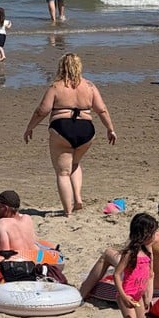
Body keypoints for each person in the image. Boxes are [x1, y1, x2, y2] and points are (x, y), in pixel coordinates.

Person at [23, 53, 116, 217]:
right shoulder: (89, 86)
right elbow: (101, 109)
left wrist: (30, 127)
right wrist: (110, 129)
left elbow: (42, 110)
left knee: (63, 172)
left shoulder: (56, 87)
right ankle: (78, 198)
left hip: (62, 128)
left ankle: (68, 211)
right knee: (75, 163)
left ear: (61, 67)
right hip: (86, 129)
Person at [80, 197, 159, 300]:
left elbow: (147, 271)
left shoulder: (154, 237)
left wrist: (147, 299)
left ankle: (81, 295)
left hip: (146, 289)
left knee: (108, 254)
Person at [99, 213, 157, 318]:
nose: (154, 236)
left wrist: (148, 296)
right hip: (127, 296)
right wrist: (124, 296)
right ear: (144, 234)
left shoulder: (147, 253)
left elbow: (149, 275)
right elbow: (117, 274)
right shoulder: (130, 253)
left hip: (138, 297)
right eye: (152, 233)